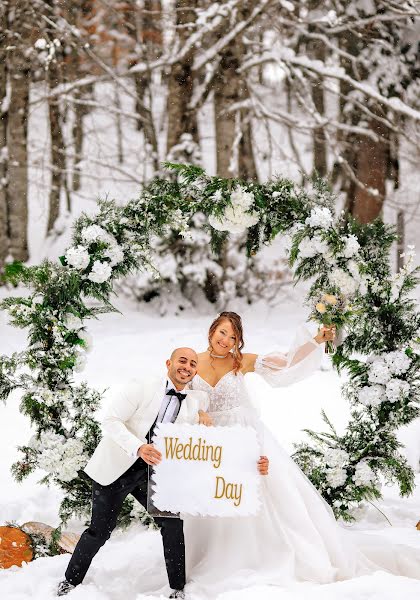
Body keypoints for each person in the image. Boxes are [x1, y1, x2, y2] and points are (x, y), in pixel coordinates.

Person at [183, 312, 420, 596]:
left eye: (233, 336)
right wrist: (197, 410)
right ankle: (213, 555)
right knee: (217, 495)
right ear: (212, 331)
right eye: (222, 333)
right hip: (211, 442)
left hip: (245, 436)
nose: (226, 340)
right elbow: (178, 393)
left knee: (257, 494)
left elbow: (286, 362)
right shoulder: (192, 360)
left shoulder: (240, 361)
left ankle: (262, 554)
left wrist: (317, 339)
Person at [57, 347, 211, 599]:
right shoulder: (142, 386)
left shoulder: (193, 403)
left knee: (172, 523)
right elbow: (111, 420)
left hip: (154, 473)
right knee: (100, 531)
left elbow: (194, 440)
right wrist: (138, 447)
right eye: (182, 361)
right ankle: (70, 581)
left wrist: (203, 420)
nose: (187, 367)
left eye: (193, 364)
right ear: (169, 362)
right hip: (118, 467)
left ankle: (178, 589)